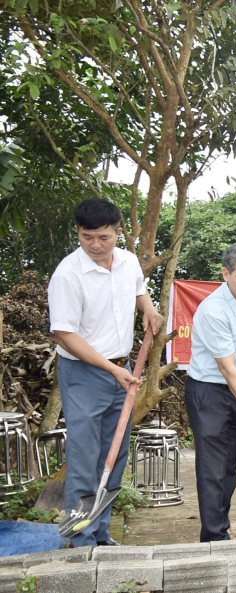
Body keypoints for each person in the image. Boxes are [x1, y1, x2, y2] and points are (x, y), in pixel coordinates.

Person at [48, 199, 163, 547]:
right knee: (84, 459)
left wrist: (148, 308)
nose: (95, 245)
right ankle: (81, 541)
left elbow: (139, 290)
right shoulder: (68, 275)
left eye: (103, 237)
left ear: (117, 232)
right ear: (78, 233)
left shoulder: (128, 262)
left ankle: (101, 533)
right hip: (83, 372)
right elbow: (64, 335)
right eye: (87, 237)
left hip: (122, 369)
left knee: (114, 456)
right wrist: (112, 369)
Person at [184, 242, 236, 542]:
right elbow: (227, 369)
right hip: (208, 392)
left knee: (230, 465)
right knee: (212, 467)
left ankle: (221, 524)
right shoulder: (213, 310)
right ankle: (213, 536)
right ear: (225, 273)